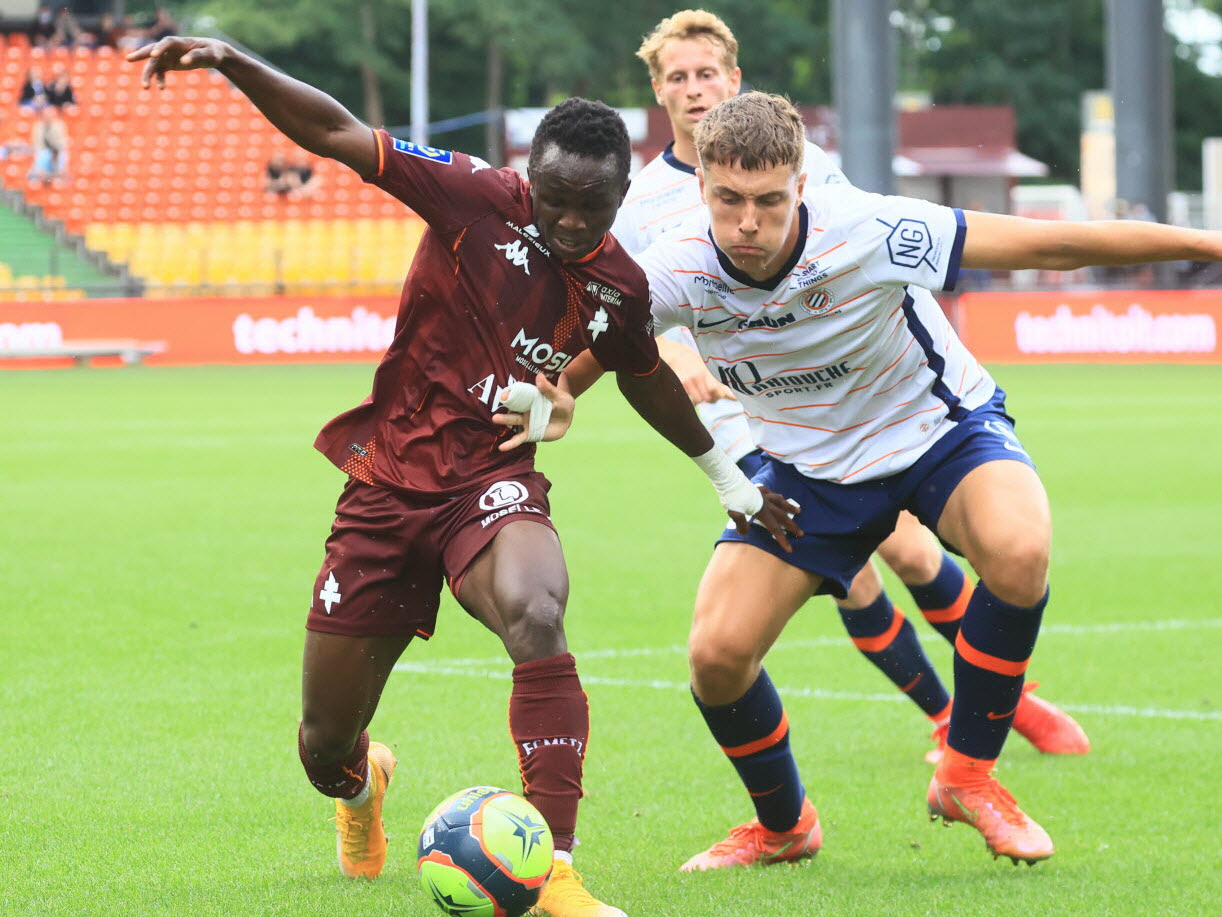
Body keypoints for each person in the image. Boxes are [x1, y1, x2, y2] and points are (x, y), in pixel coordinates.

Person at [127, 35, 797, 917]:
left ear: (620, 198)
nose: (567, 224)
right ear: (529, 176)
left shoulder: (619, 288)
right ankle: (364, 784)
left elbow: (646, 380)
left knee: (538, 612)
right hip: (386, 485)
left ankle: (555, 867)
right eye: (553, 201)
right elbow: (337, 132)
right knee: (323, 744)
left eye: (589, 210)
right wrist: (230, 59)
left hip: (491, 482)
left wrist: (733, 483)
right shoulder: (472, 193)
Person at [557, 91, 1222, 871]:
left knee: (1019, 547)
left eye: (769, 201)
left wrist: (1207, 243)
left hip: (937, 434)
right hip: (807, 472)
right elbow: (595, 343)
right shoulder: (671, 266)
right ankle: (784, 826)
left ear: (801, 187)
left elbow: (1051, 243)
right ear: (700, 186)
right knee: (715, 656)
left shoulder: (869, 228)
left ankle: (969, 775)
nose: (747, 223)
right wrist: (561, 389)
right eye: (728, 199)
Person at [613, 9, 1087, 765]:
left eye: (707, 74)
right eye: (679, 77)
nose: (695, 89)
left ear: (733, 80)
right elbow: (631, 314)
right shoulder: (639, 207)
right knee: (852, 577)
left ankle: (995, 705)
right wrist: (675, 357)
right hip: (745, 423)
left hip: (848, 397)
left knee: (913, 556)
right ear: (658, 92)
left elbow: (844, 251)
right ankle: (945, 714)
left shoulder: (798, 164)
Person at [29, 105, 68, 183]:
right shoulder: (38, 126)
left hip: (56, 151)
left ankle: (56, 175)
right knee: (42, 155)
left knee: (60, 155)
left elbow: (61, 142)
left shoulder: (59, 125)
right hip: (42, 151)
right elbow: (37, 142)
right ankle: (43, 176)